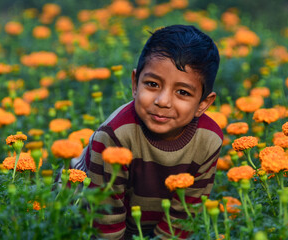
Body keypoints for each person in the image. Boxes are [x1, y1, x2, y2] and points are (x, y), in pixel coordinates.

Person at [71, 24, 223, 239]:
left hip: (143, 224)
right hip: (84, 213)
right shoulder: (115, 134)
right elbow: (103, 216)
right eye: (152, 84)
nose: (162, 101)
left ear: (203, 103)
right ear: (135, 84)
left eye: (182, 92)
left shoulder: (208, 140)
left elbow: (185, 214)